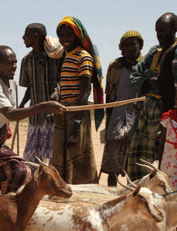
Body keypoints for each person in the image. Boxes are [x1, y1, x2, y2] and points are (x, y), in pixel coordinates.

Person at [0, 45, 66, 193]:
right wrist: (44, 106)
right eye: (10, 63)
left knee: (17, 173)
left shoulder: (11, 84)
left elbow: (4, 115)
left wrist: (2, 132)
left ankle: (1, 207)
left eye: (15, 62)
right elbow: (10, 113)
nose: (14, 66)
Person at [127, 13, 177, 180]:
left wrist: (157, 81)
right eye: (157, 31)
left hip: (166, 111)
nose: (159, 35)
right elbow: (134, 77)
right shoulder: (154, 52)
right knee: (137, 154)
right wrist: (149, 80)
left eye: (163, 31)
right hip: (146, 111)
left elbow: (169, 84)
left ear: (174, 29)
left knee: (159, 157)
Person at [52, 16, 103, 184]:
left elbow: (85, 93)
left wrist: (77, 124)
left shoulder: (84, 57)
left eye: (69, 35)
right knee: (63, 154)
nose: (64, 39)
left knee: (78, 155)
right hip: (64, 111)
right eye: (61, 35)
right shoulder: (66, 56)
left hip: (77, 113)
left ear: (77, 36)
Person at [99, 31, 143, 186]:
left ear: (140, 45)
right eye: (126, 45)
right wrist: (108, 121)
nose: (130, 48)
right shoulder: (115, 66)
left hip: (137, 120)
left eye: (133, 43)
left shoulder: (145, 66)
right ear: (121, 48)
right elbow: (109, 95)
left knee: (134, 167)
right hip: (116, 119)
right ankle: (111, 196)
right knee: (112, 167)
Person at [19, 23, 61, 165]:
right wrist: (22, 105)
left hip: (54, 116)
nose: (23, 37)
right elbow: (29, 87)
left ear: (35, 36)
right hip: (35, 116)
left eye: (26, 34)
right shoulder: (26, 60)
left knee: (52, 157)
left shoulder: (56, 57)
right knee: (31, 158)